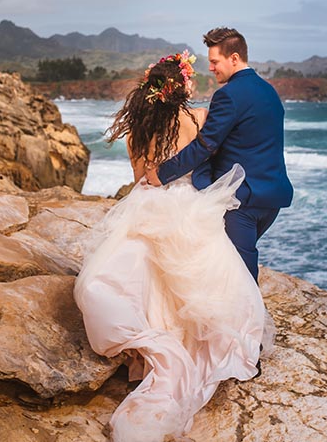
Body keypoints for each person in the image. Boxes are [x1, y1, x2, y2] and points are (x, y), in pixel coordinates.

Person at [74, 50, 270, 442]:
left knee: (135, 270)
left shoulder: (137, 130)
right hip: (189, 204)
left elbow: (140, 176)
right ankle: (196, 342)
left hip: (149, 201)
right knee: (200, 270)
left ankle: (148, 346)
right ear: (181, 87)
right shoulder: (196, 117)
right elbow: (212, 150)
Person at [146, 27, 293, 282]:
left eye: (215, 61)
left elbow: (205, 145)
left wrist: (161, 174)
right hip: (272, 198)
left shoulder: (228, 95)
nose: (211, 68)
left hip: (241, 201)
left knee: (240, 275)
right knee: (229, 266)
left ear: (234, 58)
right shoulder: (269, 91)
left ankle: (247, 321)